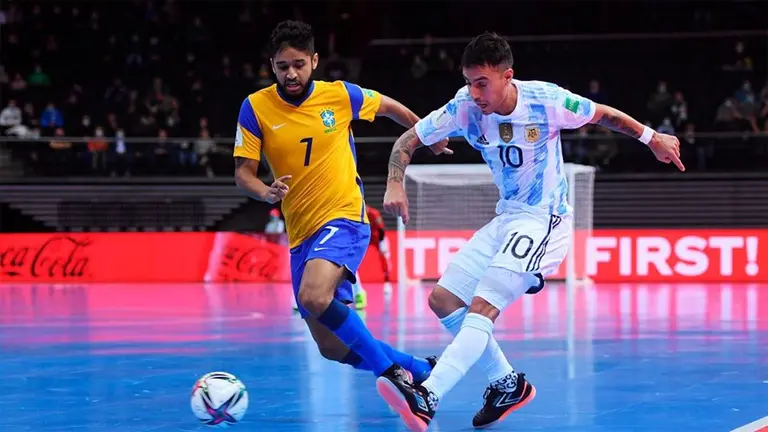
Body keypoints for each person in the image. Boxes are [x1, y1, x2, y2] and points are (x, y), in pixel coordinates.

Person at [377, 32, 685, 432]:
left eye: (482, 83)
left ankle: (429, 395)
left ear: (508, 76)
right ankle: (507, 384)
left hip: (545, 218)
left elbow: (603, 114)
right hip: (507, 217)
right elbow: (408, 139)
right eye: (469, 82)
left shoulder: (547, 100)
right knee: (443, 299)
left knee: (482, 307)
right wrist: (395, 181)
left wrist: (652, 138)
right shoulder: (464, 106)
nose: (475, 92)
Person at [233, 20, 451, 385]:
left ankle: (393, 375)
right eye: (283, 66)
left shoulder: (339, 95)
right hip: (301, 233)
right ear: (272, 65)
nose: (291, 73)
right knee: (332, 348)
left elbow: (387, 106)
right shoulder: (255, 108)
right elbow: (244, 172)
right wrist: (264, 191)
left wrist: (425, 135)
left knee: (314, 296)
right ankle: (419, 368)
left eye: (299, 64)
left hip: (344, 216)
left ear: (314, 61)